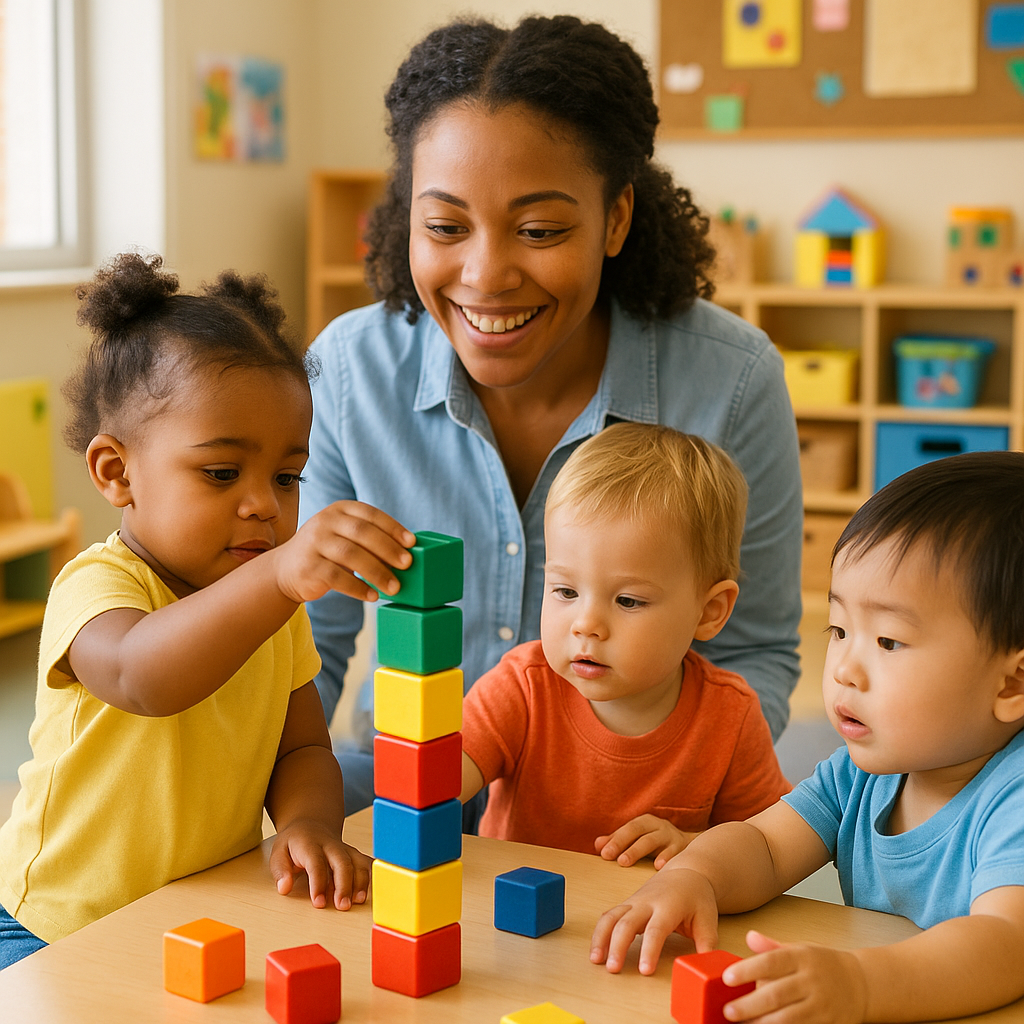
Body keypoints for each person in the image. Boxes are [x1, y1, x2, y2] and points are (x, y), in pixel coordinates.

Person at [300, 14, 803, 819]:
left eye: (539, 230)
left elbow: (754, 653)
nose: (485, 275)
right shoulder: (349, 372)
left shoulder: (732, 382)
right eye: (445, 227)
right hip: (411, 780)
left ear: (615, 219)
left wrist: (673, 802)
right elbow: (306, 650)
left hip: (618, 812)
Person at [0, 253, 415, 971]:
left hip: (197, 919)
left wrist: (309, 824)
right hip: (56, 926)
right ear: (116, 472)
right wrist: (283, 576)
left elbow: (303, 749)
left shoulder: (273, 604)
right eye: (222, 473)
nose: (264, 504)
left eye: (287, 477)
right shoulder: (96, 587)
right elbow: (143, 677)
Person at [590, 451, 1024, 1022]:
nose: (843, 667)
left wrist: (861, 983)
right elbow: (766, 846)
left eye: (889, 642)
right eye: (840, 629)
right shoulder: (864, 770)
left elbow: (1004, 945)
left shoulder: (1012, 800)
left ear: (1012, 682)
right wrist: (696, 876)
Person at [459, 424, 791, 862]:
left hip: (651, 927)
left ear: (710, 611)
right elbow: (430, 786)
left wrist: (694, 846)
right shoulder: (521, 688)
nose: (587, 625)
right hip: (514, 925)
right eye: (565, 591)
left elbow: (771, 849)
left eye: (628, 600)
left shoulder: (731, 717)